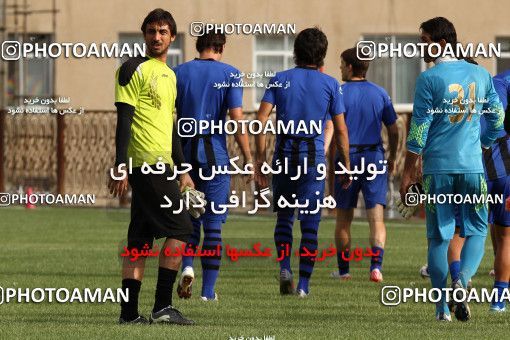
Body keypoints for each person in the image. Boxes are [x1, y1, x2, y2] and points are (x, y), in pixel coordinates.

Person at [400, 17, 504, 321]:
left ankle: (441, 309)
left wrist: (408, 172)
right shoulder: (481, 74)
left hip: (437, 170)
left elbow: (418, 131)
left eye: (425, 41)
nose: (421, 48)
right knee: (478, 231)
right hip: (472, 168)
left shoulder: (429, 80)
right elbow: (497, 120)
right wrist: (482, 144)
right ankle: (462, 280)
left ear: (442, 43)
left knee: (438, 238)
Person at [108, 8, 194, 325]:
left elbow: (170, 127)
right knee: (182, 229)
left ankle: (129, 315)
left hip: (165, 166)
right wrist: (120, 166)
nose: (156, 37)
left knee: (139, 243)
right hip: (147, 165)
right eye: (151, 31)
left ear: (172, 37)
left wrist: (183, 169)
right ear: (143, 35)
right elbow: (124, 121)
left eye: (162, 32)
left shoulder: (171, 76)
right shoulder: (132, 69)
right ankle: (162, 306)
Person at [254, 27, 351, 298]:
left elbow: (260, 122)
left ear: (295, 52)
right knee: (310, 223)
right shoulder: (331, 84)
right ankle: (304, 286)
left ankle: (285, 266)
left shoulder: (280, 79)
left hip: (284, 154)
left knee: (284, 217)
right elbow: (341, 130)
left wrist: (260, 159)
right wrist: (345, 163)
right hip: (313, 158)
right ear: (322, 55)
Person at [173, 31, 252, 301]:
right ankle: (208, 292)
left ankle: (186, 266)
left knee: (190, 220)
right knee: (214, 224)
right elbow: (238, 121)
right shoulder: (230, 74)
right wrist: (249, 159)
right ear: (221, 47)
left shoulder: (178, 72)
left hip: (184, 155)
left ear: (198, 46)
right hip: (215, 155)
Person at [332, 47, 399, 283]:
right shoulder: (380, 93)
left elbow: (333, 131)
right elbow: (393, 129)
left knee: (343, 218)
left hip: (347, 157)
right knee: (376, 217)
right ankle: (376, 267)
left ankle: (344, 270)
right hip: (373, 157)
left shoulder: (338, 92)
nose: (339, 68)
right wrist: (392, 156)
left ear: (350, 67)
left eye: (341, 64)